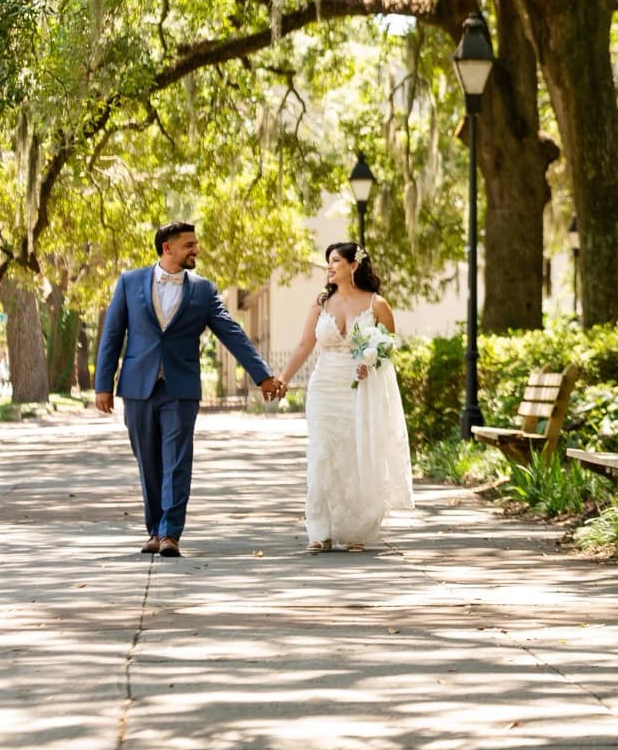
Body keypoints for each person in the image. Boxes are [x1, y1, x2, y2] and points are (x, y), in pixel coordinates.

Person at [95, 222, 287, 558]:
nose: (195, 250)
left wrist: (263, 376)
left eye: (195, 244)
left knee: (177, 460)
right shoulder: (129, 282)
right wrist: (103, 385)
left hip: (180, 388)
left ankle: (171, 532)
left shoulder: (202, 290)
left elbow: (232, 333)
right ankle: (155, 529)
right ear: (167, 248)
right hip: (138, 387)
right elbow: (112, 334)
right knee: (148, 462)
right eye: (189, 245)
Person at [278, 241, 412, 551]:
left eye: (336, 260)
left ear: (354, 265)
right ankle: (319, 531)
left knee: (356, 454)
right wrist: (283, 378)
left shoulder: (377, 304)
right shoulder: (321, 302)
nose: (329, 266)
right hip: (324, 387)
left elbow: (388, 348)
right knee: (322, 453)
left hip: (359, 389)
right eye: (328, 261)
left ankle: (356, 530)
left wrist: (371, 365)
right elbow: (303, 345)